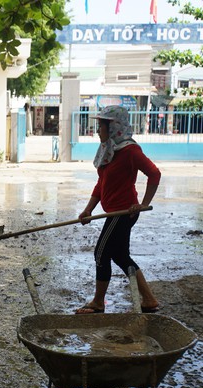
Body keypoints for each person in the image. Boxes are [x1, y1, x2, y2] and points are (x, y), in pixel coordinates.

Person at [76, 105, 161, 314]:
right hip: (112, 211)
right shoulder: (109, 149)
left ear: (113, 127)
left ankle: (98, 302)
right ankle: (149, 299)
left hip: (123, 212)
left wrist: (142, 204)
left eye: (101, 126)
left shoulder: (130, 151)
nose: (97, 131)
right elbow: (101, 184)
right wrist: (88, 210)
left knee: (101, 253)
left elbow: (154, 174)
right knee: (121, 256)